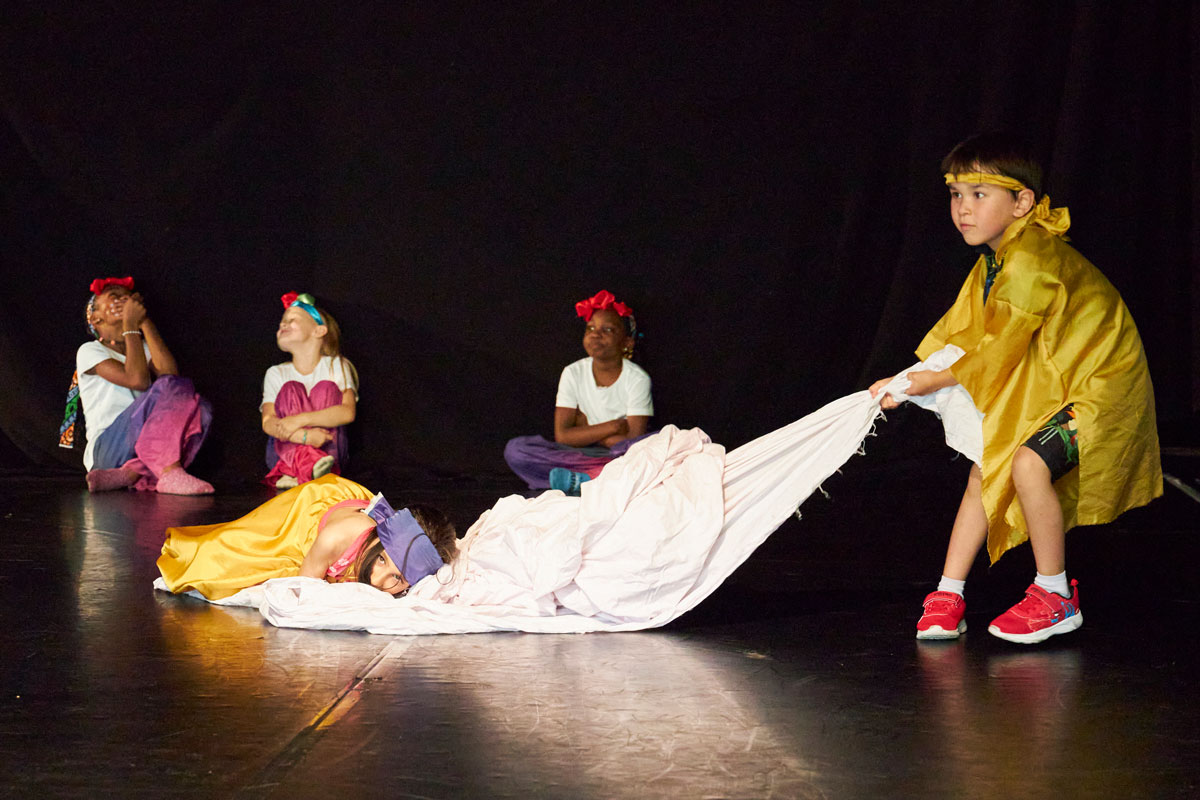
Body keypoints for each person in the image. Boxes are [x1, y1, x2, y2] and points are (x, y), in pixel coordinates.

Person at [870, 132, 1161, 644]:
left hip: (1101, 390)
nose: (963, 208)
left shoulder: (1031, 259)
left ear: (1022, 202)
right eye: (956, 194)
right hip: (1049, 379)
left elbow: (998, 348)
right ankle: (948, 592)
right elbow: (965, 336)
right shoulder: (996, 260)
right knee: (988, 463)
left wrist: (923, 382)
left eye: (979, 194)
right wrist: (905, 380)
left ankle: (1056, 595)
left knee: (1026, 464)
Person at [156, 474, 457, 601]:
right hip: (313, 511)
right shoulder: (334, 539)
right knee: (230, 558)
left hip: (355, 518)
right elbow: (304, 595)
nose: (378, 580)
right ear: (377, 540)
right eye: (380, 560)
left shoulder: (406, 568)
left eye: (398, 578)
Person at [67, 276, 214, 495]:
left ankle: (131, 472)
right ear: (96, 318)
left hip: (139, 446)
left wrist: (143, 321)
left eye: (127, 298)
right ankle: (169, 471)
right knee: (170, 388)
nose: (123, 301)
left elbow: (172, 377)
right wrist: (130, 324)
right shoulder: (90, 350)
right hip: (107, 449)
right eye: (114, 297)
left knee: (200, 408)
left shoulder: (141, 346)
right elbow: (138, 380)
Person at [504, 289, 653, 495]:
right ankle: (600, 476)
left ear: (627, 342)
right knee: (517, 450)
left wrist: (586, 429)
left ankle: (586, 478)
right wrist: (614, 426)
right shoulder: (573, 372)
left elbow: (632, 441)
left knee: (656, 446)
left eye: (608, 329)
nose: (595, 334)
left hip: (620, 455)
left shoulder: (637, 378)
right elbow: (563, 436)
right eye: (590, 328)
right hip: (580, 455)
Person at [260, 292, 359, 489]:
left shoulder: (336, 365)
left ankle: (302, 472)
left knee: (326, 388)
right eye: (282, 321)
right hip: (285, 452)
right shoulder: (276, 373)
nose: (283, 324)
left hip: (327, 449)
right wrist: (302, 437)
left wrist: (300, 420)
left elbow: (347, 412)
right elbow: (268, 421)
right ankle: (302, 469)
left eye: (292, 320)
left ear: (319, 330)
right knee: (291, 389)